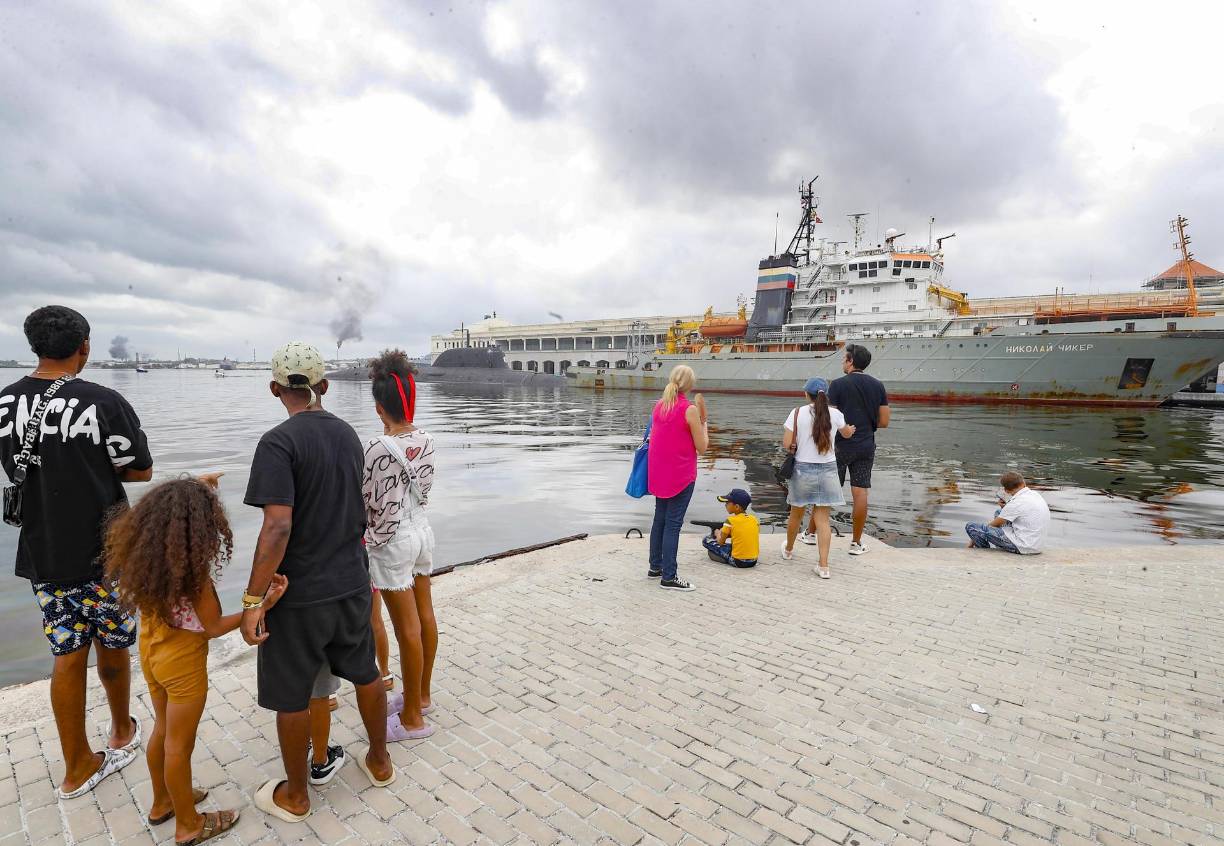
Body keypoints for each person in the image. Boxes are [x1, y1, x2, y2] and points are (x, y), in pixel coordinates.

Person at [0, 306, 151, 798]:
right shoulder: (102, 401)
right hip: (109, 550)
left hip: (44, 551)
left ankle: (76, 765)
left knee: (66, 653)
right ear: (84, 346)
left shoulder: (4, 404)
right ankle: (122, 731)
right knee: (115, 642)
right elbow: (139, 470)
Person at [240, 342, 394, 823]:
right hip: (351, 580)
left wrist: (252, 600)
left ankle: (297, 796)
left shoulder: (278, 442)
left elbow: (277, 527)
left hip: (299, 593)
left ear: (275, 389)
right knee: (365, 670)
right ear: (323, 386)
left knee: (291, 694)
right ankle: (380, 761)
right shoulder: (349, 434)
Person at [104, 476, 286, 844]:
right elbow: (215, 626)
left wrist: (198, 486)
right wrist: (262, 606)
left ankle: (163, 802)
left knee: (162, 731)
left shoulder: (146, 556)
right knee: (178, 746)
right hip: (183, 662)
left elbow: (174, 505)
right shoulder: (193, 574)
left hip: (152, 650)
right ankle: (188, 825)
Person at [360, 350, 439, 741]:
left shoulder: (376, 447)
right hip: (422, 530)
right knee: (424, 616)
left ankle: (411, 719)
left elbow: (369, 501)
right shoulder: (426, 439)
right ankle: (420, 696)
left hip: (392, 540)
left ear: (379, 407)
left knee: (405, 626)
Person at [780, 378, 856, 578]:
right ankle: (823, 566)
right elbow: (847, 434)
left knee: (796, 514)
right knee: (823, 519)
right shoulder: (836, 414)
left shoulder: (797, 413)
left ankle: (788, 550)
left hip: (802, 470)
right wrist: (850, 430)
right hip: (828, 470)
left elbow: (787, 443)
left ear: (807, 394)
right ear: (826, 395)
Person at [646, 365, 709, 591]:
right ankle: (669, 577)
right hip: (681, 475)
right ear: (690, 384)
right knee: (673, 525)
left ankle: (656, 566)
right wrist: (705, 424)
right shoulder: (688, 409)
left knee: (659, 520)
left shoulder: (659, 406)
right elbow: (702, 448)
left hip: (658, 473)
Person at [826, 344, 890, 555]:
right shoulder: (878, 385)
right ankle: (855, 542)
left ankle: (810, 533)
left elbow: (829, 420)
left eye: (844, 358)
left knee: (827, 492)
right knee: (861, 492)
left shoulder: (837, 385)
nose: (842, 362)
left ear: (851, 361)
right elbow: (884, 422)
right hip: (866, 446)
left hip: (840, 446)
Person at [965, 471, 1051, 554]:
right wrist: (1004, 508)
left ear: (1006, 490)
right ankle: (1000, 545)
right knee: (999, 512)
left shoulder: (1016, 502)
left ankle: (984, 552)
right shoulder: (1034, 494)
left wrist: (972, 541)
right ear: (1023, 482)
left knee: (971, 527)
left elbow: (994, 524)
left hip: (1023, 547)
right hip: (1037, 545)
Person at [702, 489, 759, 568]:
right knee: (732, 545)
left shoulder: (730, 521)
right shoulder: (754, 519)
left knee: (706, 540)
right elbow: (743, 534)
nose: (725, 505)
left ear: (736, 507)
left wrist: (718, 533)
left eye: (727, 503)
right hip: (754, 560)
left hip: (738, 561)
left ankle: (724, 558)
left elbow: (721, 542)